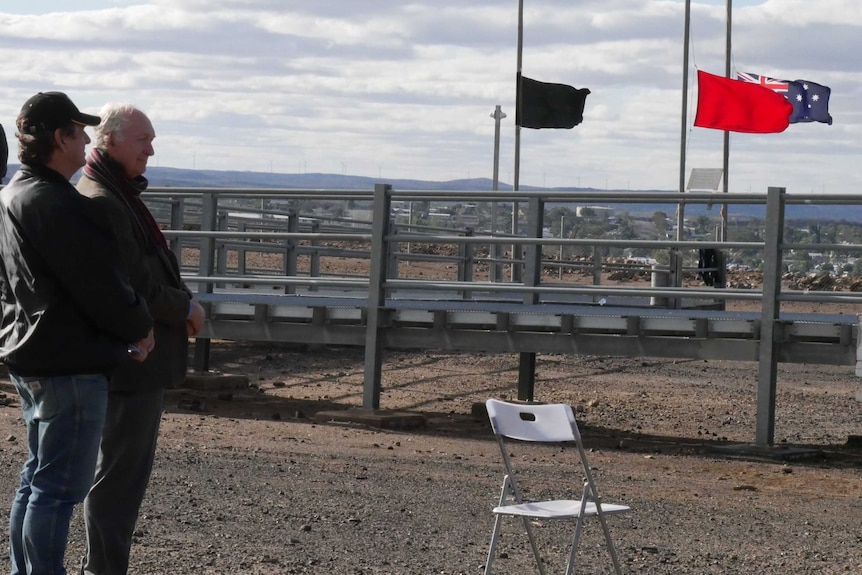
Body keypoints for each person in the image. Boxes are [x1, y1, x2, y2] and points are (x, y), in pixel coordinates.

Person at [0, 92, 155, 575]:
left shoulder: (16, 192)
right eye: (78, 130)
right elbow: (97, 284)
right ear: (59, 137)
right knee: (58, 486)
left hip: (33, 353)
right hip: (67, 361)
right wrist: (139, 327)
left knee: (39, 479)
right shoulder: (56, 202)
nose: (86, 138)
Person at [76, 103, 206, 575]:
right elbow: (136, 285)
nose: (151, 149)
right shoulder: (106, 201)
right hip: (133, 360)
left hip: (135, 356)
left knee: (117, 474)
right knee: (118, 478)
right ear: (109, 141)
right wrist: (186, 307)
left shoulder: (113, 193)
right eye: (142, 140)